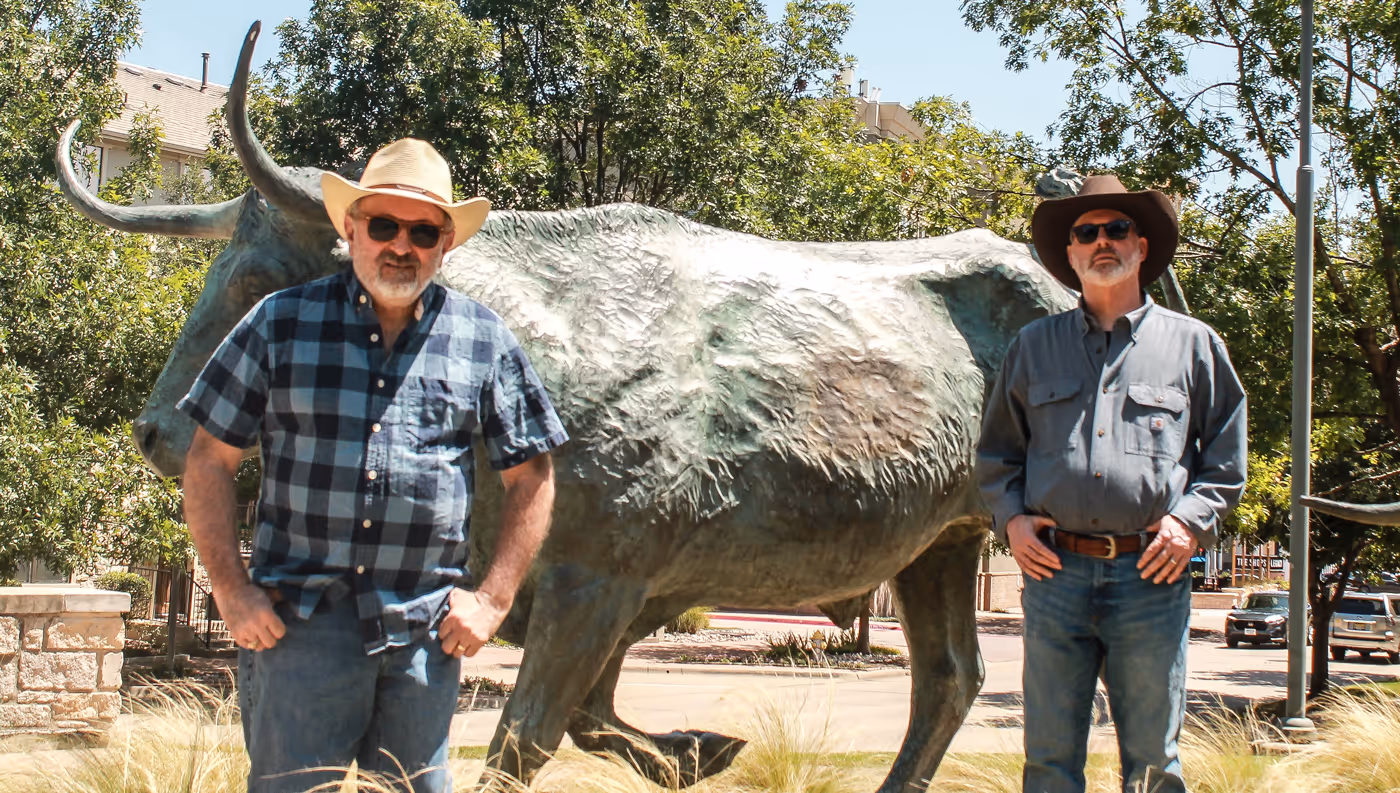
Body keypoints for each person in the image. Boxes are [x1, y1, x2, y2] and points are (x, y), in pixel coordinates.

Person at [179, 138, 568, 793]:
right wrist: (231, 589)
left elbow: (532, 476)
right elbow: (208, 461)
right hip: (297, 632)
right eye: (383, 225)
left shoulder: (484, 339)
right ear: (350, 228)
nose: (401, 245)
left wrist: (494, 600)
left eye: (422, 231)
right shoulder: (278, 323)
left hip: (425, 637)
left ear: (446, 243)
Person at [976, 175, 1247, 793]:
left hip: (1150, 577)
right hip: (1054, 575)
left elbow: (1225, 460)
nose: (1103, 241)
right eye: (1086, 232)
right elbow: (996, 454)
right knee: (1048, 760)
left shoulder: (1194, 345)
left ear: (1142, 247)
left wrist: (1189, 522)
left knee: (1153, 762)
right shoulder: (1032, 347)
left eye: (1118, 229)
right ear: (1069, 255)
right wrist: (1011, 520)